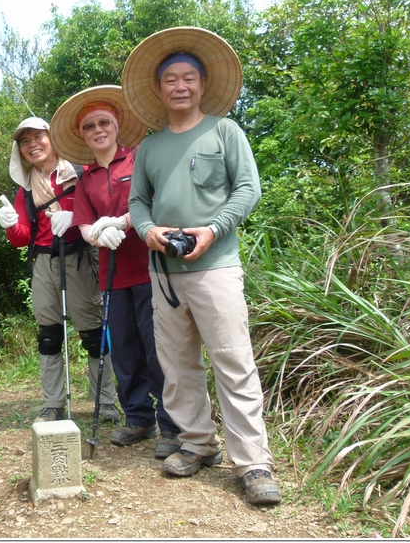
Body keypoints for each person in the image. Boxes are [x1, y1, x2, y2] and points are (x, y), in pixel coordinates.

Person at [123, 27, 282, 505]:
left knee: (233, 360)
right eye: (170, 79)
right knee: (177, 365)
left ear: (202, 83)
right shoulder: (149, 146)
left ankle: (253, 462)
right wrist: (148, 230)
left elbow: (247, 190)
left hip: (217, 267)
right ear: (159, 89)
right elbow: (137, 203)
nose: (179, 86)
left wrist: (213, 229)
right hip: (165, 274)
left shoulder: (225, 131)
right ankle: (196, 443)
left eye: (188, 77)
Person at [50, 85, 182, 459]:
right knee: (124, 350)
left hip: (152, 270)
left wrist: (122, 222)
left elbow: (156, 201)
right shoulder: (86, 178)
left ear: (117, 124)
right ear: (82, 134)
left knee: (159, 351)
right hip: (112, 277)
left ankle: (172, 425)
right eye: (89, 126)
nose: (98, 130)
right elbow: (85, 226)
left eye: (104, 122)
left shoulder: (140, 159)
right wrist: (98, 233)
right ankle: (139, 418)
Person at [0, 116, 120, 424]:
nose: (32, 145)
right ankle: (53, 403)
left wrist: (70, 214)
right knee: (49, 335)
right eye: (24, 142)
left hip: (80, 257)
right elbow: (23, 237)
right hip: (43, 262)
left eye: (38, 137)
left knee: (93, 333)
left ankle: (105, 401)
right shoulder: (25, 189)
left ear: (52, 138)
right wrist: (12, 225)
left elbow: (98, 212)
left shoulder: (79, 173)